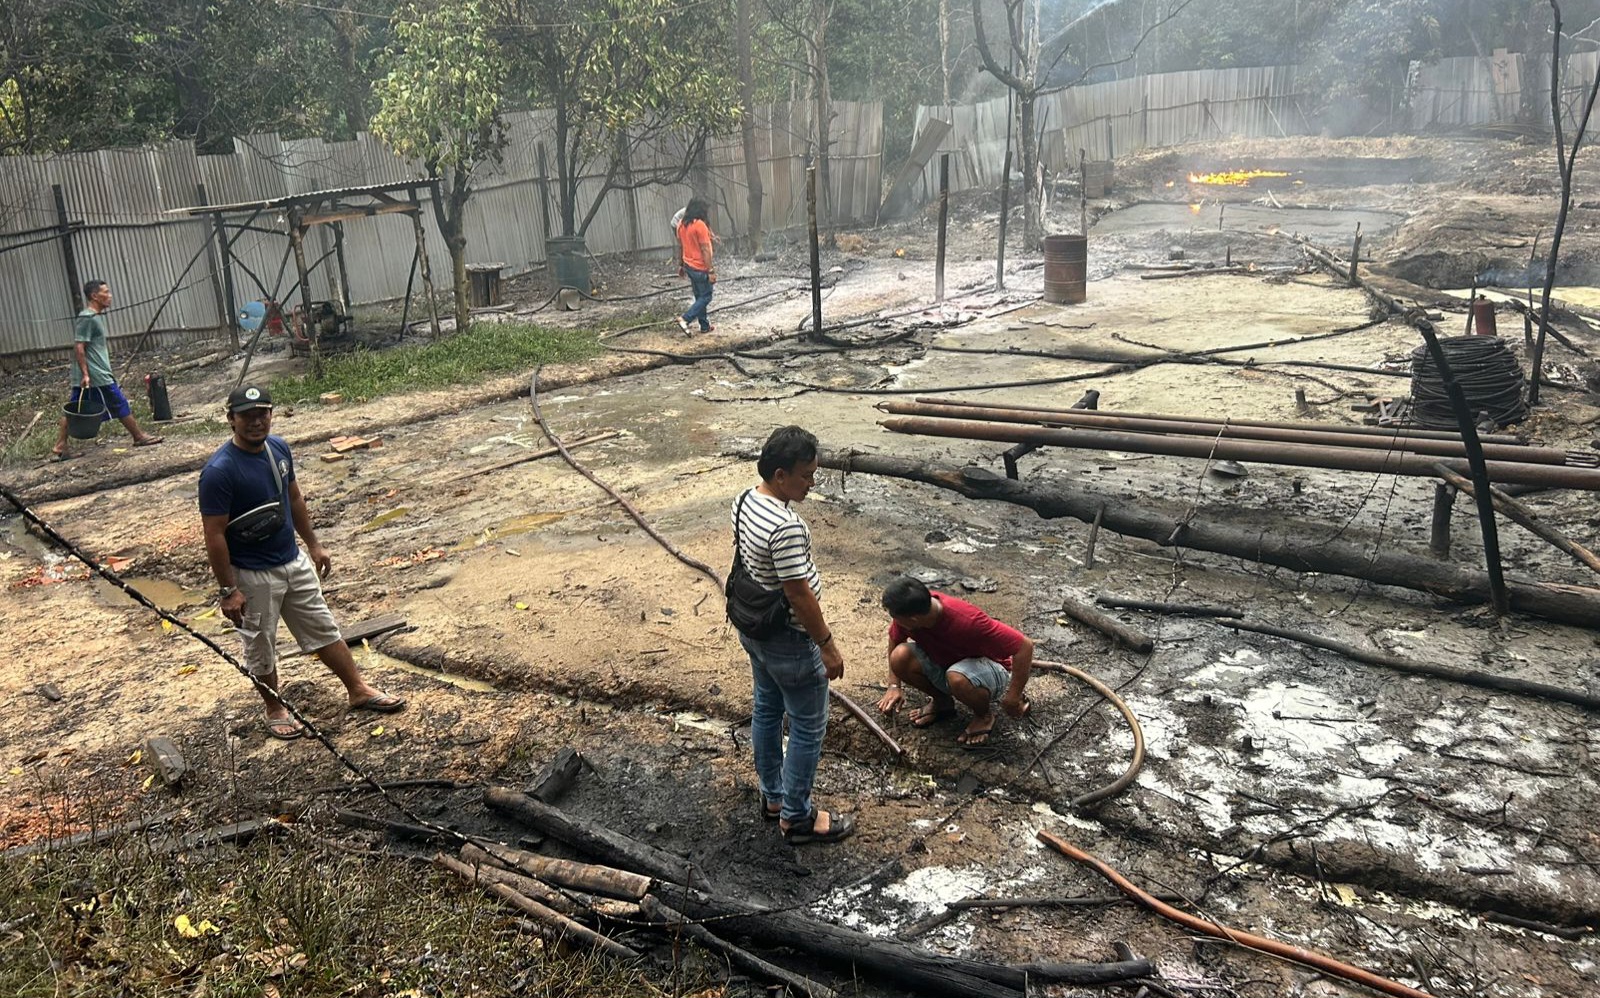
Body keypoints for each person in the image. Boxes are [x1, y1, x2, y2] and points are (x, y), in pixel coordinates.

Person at [199, 385, 405, 739]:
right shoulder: (219, 472)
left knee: (322, 626)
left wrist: (313, 543)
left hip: (291, 561)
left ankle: (357, 689)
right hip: (252, 574)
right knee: (260, 643)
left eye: (262, 413)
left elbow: (293, 497)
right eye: (247, 415)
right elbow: (214, 534)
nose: (256, 421)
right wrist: (228, 589)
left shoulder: (278, 449)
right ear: (230, 419)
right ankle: (274, 707)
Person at [733, 426, 854, 845]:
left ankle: (773, 798)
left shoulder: (745, 500)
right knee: (807, 725)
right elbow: (798, 594)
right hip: (790, 638)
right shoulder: (786, 526)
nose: (811, 483)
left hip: (756, 629)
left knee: (766, 709)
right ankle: (797, 817)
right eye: (806, 475)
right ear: (781, 475)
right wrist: (827, 645)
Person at [875, 577, 1034, 748]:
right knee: (900, 657)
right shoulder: (911, 611)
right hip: (948, 664)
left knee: (956, 677)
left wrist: (1013, 696)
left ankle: (984, 716)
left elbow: (1024, 646)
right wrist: (893, 685)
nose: (895, 621)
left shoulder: (969, 620)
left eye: (896, 618)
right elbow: (895, 639)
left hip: (990, 669)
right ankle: (942, 703)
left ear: (913, 620)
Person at [51, 280, 163, 460]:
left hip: (93, 374)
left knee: (75, 408)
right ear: (95, 296)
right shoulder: (87, 318)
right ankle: (139, 437)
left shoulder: (93, 317)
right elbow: (79, 347)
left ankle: (61, 445)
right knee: (119, 403)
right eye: (106, 292)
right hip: (96, 376)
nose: (110, 296)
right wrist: (87, 374)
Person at [676, 196, 716, 334]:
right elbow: (705, 249)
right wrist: (710, 271)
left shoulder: (681, 224)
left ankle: (704, 326)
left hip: (689, 266)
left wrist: (680, 265)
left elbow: (681, 247)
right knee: (706, 296)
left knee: (699, 296)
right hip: (700, 268)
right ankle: (685, 319)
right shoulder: (699, 225)